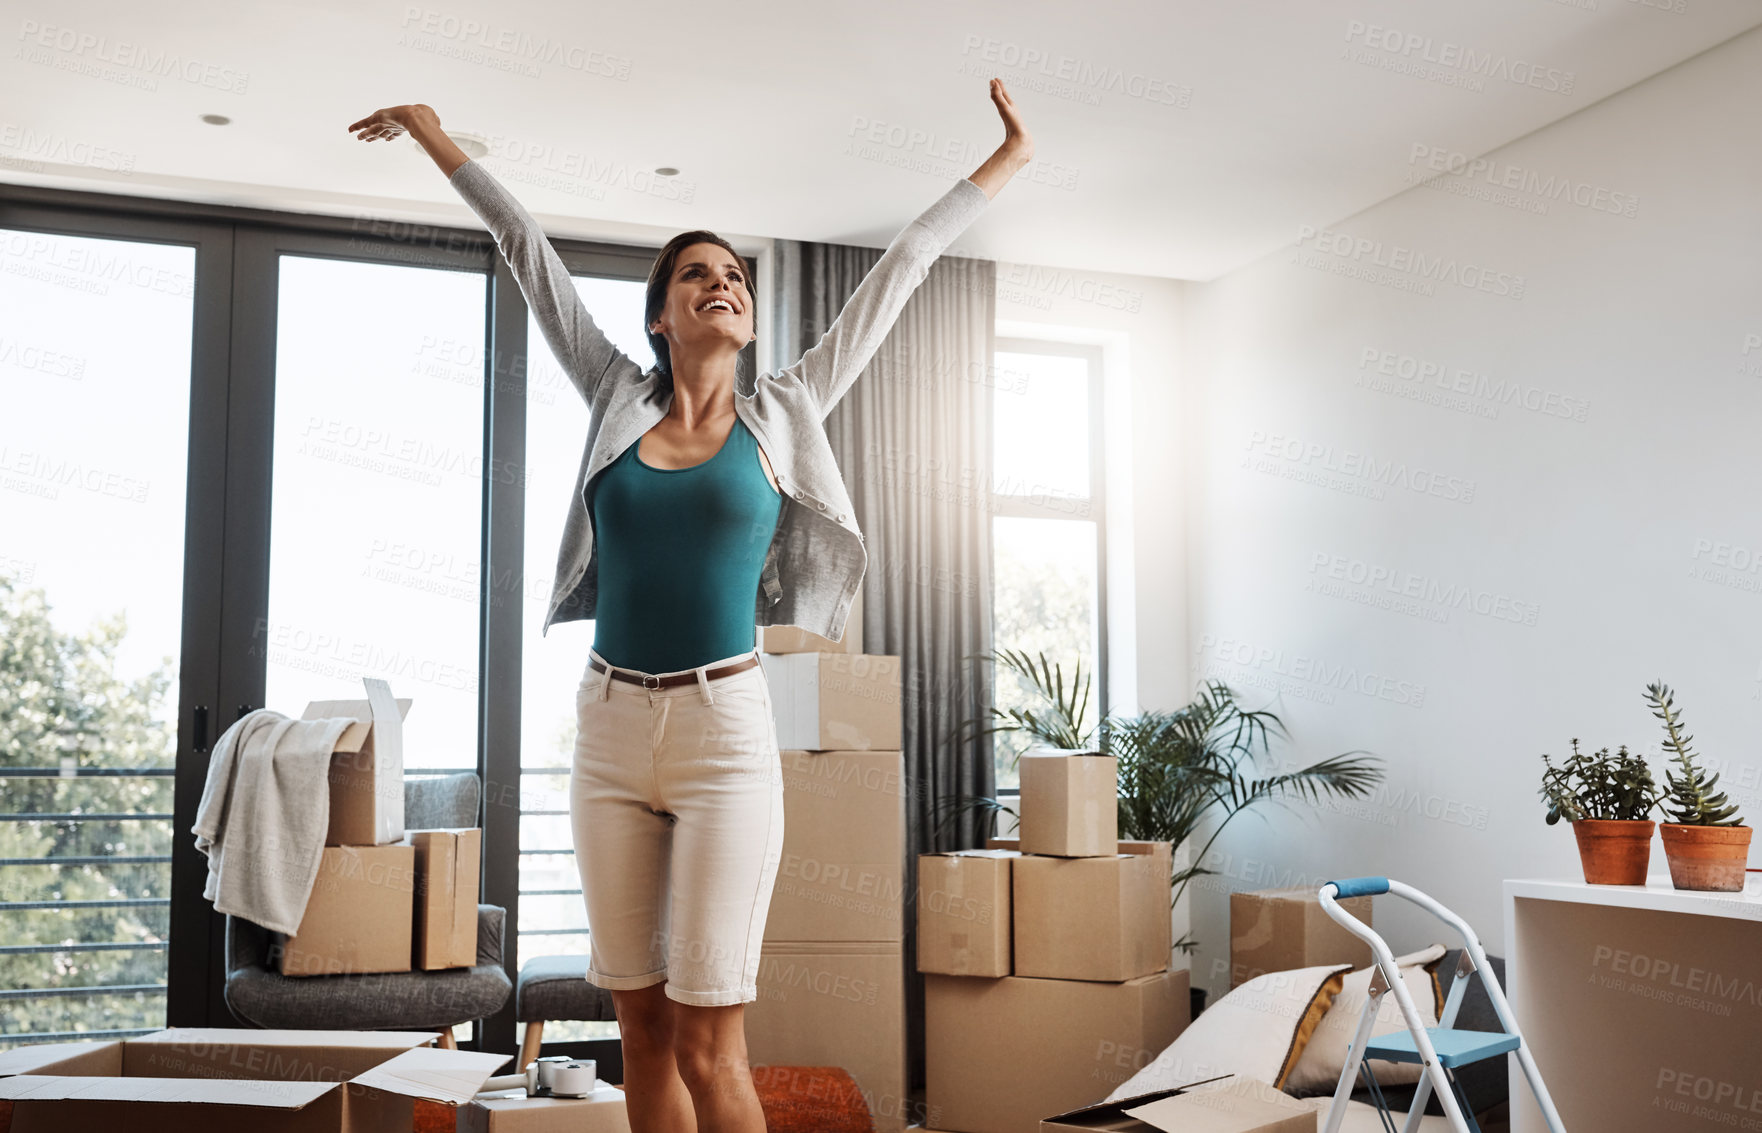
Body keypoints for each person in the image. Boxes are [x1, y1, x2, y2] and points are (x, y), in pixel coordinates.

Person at [348, 78, 1032, 1132]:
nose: (720, 283)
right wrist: (436, 137)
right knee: (642, 1033)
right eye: (695, 275)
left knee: (715, 1041)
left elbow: (898, 275)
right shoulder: (616, 394)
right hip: (610, 731)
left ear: (747, 318)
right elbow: (527, 251)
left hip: (723, 733)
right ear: (661, 315)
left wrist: (999, 165)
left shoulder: (786, 409)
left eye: (733, 276)